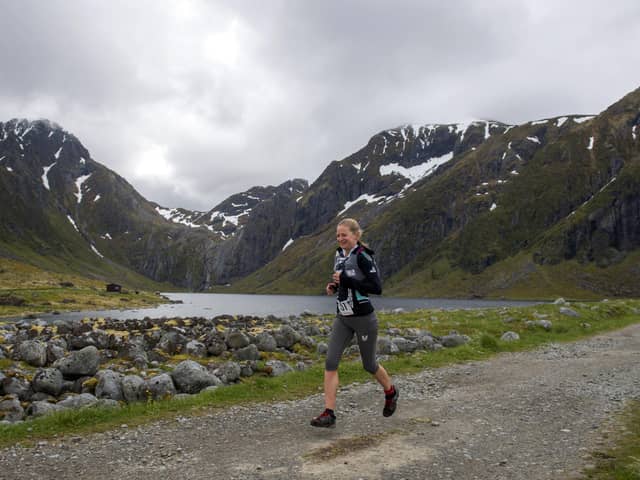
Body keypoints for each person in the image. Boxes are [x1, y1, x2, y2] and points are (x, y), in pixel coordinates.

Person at [310, 218, 398, 428]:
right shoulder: (339, 255)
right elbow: (342, 282)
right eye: (338, 236)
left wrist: (347, 282)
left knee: (369, 365)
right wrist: (333, 286)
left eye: (344, 235)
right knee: (331, 363)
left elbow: (376, 287)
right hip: (343, 318)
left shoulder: (363, 256)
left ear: (356, 236)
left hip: (364, 319)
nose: (340, 239)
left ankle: (391, 392)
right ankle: (329, 413)